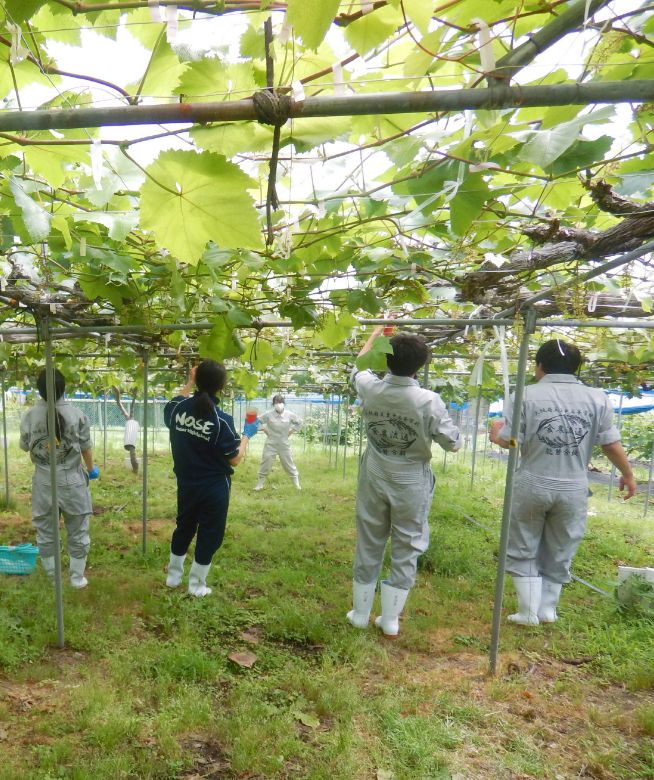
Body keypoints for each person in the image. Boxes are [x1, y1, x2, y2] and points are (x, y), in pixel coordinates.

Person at [489, 339, 637, 625]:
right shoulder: (597, 397)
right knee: (561, 548)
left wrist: (496, 434)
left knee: (523, 544)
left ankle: (528, 612)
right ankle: (547, 610)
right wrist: (628, 474)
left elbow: (510, 440)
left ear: (539, 366)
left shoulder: (524, 394)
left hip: (533, 482)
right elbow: (610, 443)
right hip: (573, 488)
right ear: (576, 368)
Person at [347, 327, 461, 637]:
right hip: (411, 477)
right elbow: (452, 443)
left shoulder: (370, 387)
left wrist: (375, 332)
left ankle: (360, 613)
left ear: (385, 359)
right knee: (408, 543)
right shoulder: (429, 400)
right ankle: (391, 619)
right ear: (421, 365)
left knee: (370, 538)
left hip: (375, 470)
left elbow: (358, 364)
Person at [163, 360, 258, 597]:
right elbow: (234, 458)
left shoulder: (178, 409)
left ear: (197, 379)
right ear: (222, 387)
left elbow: (176, 400)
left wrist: (190, 381)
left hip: (186, 484)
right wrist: (247, 435)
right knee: (210, 533)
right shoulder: (221, 420)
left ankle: (173, 577)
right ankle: (196, 585)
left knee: (184, 526)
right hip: (214, 487)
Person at [19, 368, 100, 589]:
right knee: (78, 528)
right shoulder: (77, 414)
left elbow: (26, 446)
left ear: (39, 389)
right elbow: (86, 448)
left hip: (43, 481)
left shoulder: (29, 415)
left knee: (45, 529)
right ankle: (76, 578)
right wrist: (91, 470)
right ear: (64, 388)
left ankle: (53, 576)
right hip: (72, 481)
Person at [254, 394, 302, 491]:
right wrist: (264, 429)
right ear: (273, 404)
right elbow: (255, 420)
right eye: (276, 402)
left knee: (288, 463)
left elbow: (300, 422)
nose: (278, 404)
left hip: (284, 444)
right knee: (266, 462)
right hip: (271, 443)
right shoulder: (268, 414)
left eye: (280, 402)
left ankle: (297, 485)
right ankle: (259, 484)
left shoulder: (289, 414)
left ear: (283, 403)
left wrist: (291, 431)